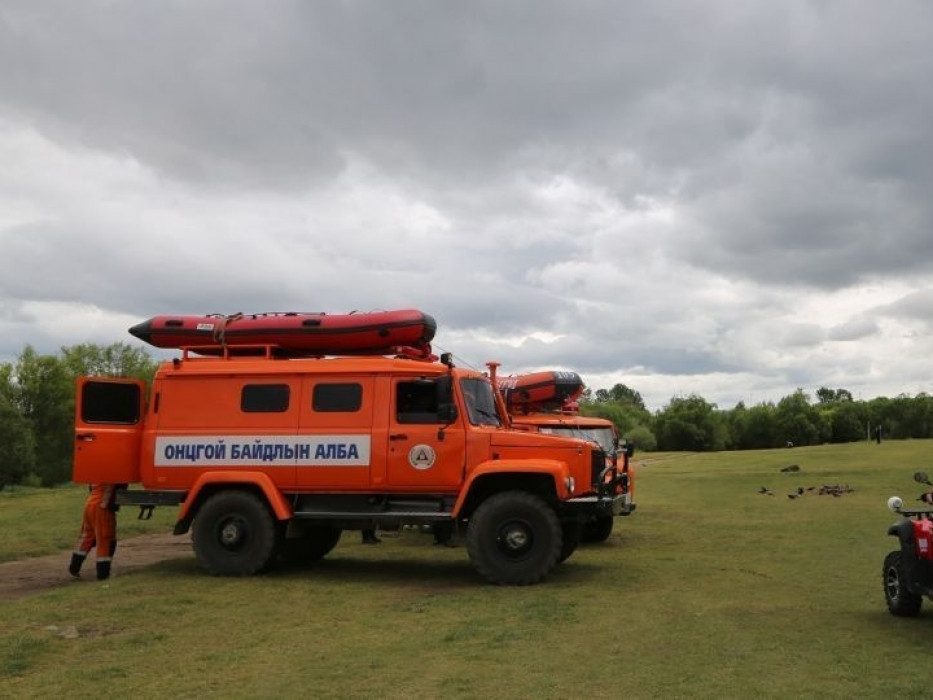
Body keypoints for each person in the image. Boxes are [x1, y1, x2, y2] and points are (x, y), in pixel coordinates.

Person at [68, 483, 120, 580]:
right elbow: (109, 487)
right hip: (101, 507)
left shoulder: (96, 470)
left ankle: (74, 567)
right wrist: (105, 503)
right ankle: (103, 574)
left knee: (87, 537)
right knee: (105, 540)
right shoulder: (111, 470)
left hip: (90, 504)